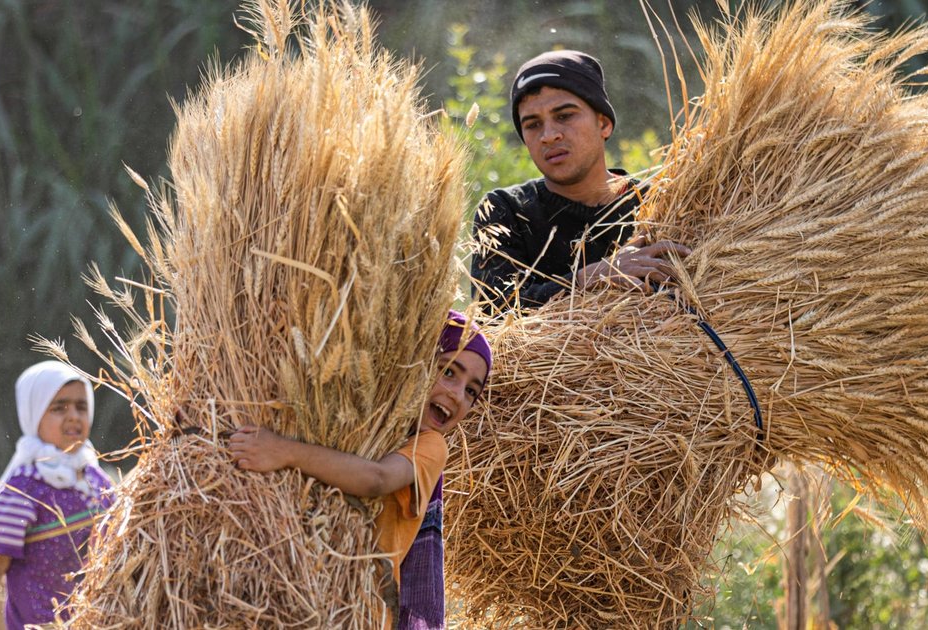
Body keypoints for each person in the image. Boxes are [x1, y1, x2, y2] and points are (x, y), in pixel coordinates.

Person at [227, 310, 493, 629]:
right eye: (449, 372)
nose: (457, 394)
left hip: (363, 612)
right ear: (418, 364)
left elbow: (375, 478)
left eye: (472, 391)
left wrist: (283, 451)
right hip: (300, 583)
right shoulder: (364, 416)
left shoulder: (432, 446)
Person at [471, 49, 691, 313]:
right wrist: (588, 278)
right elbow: (490, 315)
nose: (549, 135)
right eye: (532, 125)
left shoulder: (661, 203)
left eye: (564, 116)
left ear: (604, 124)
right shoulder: (506, 211)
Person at [0, 361, 115, 630]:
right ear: (34, 415)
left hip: (100, 622)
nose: (74, 416)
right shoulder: (23, 490)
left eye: (81, 406)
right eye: (59, 408)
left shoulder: (95, 478)